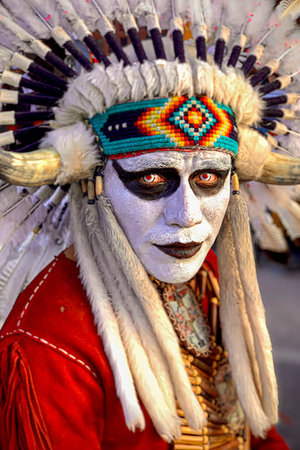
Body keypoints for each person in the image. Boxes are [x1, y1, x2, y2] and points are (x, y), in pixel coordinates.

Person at [0, 0, 298, 448]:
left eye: (209, 179)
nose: (188, 217)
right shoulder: (49, 339)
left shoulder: (205, 280)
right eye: (153, 179)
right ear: (94, 183)